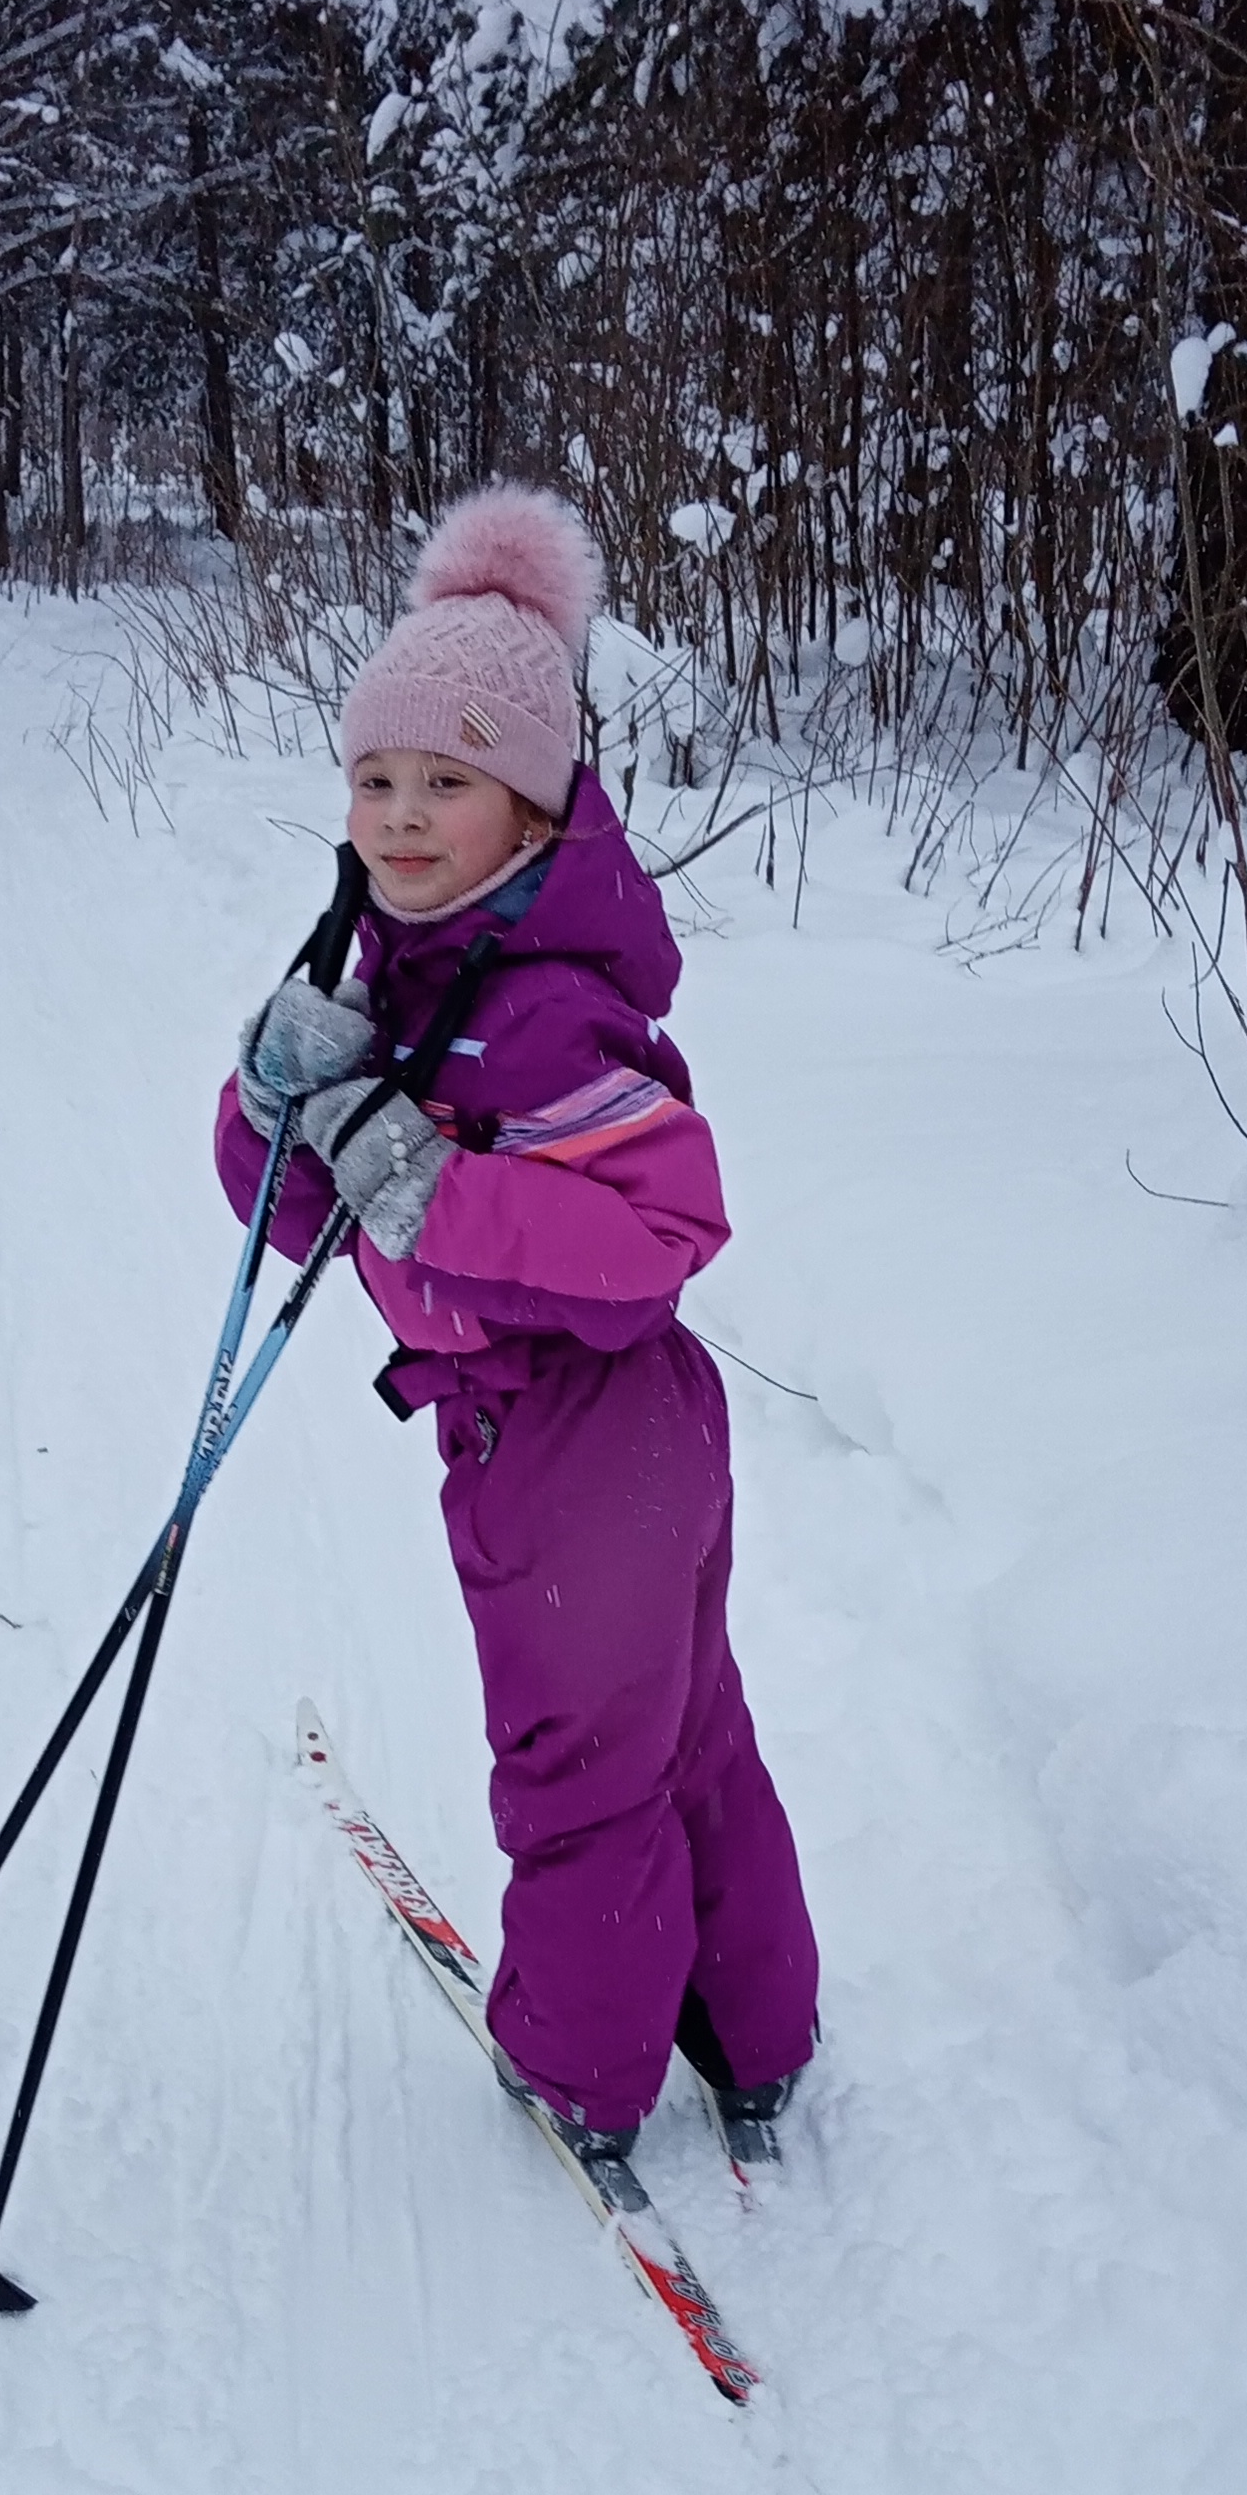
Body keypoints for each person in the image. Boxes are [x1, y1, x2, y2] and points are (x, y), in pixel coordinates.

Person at [214, 482, 819, 2179]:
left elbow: (663, 1231)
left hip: (581, 1436)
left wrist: (425, 1188)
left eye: (447, 784)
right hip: (591, 1441)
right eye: (376, 778)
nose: (401, 817)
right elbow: (289, 1199)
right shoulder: (403, 968)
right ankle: (758, 2032)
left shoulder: (543, 1014)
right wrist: (273, 1101)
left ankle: (582, 2066)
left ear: (536, 810)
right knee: (680, 1730)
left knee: (576, 1769)